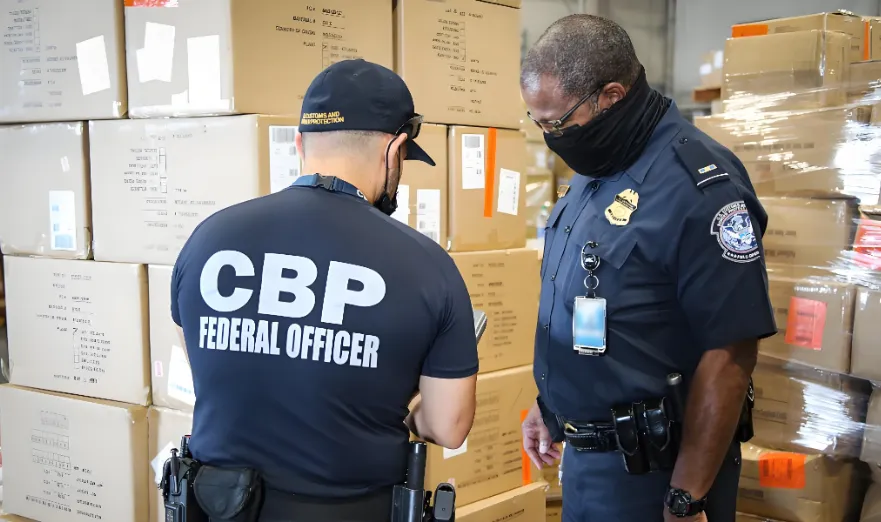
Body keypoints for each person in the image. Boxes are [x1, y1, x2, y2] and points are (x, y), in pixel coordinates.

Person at [169, 59, 479, 522]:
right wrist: (405, 409)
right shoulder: (427, 266)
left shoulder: (207, 240)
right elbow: (449, 426)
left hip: (217, 505)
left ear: (300, 144)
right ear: (395, 149)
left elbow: (204, 367)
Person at [518, 15, 777, 522]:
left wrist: (686, 497)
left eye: (556, 124)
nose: (550, 137)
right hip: (588, 465)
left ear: (611, 97)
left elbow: (731, 352)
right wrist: (552, 407)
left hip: (657, 475)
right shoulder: (599, 164)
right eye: (539, 123)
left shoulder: (699, 187)